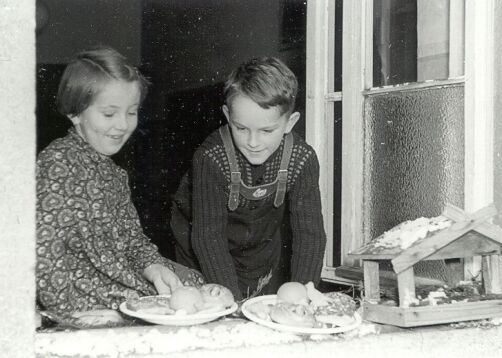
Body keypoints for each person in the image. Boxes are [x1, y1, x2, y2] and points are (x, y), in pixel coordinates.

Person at [36, 47, 204, 322]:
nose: (123, 124)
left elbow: (132, 241)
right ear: (75, 113)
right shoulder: (56, 165)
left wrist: (152, 267)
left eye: (132, 112)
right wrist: (75, 318)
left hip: (123, 293)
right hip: (87, 306)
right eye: (109, 113)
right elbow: (45, 260)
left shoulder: (114, 174)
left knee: (197, 287)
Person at [170, 57, 326, 300]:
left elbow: (309, 234)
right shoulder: (211, 157)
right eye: (241, 128)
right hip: (202, 251)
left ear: (290, 122)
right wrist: (228, 299)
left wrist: (302, 296)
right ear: (227, 116)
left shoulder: (302, 159)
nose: (253, 143)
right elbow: (208, 236)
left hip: (259, 249)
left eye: (266, 131)